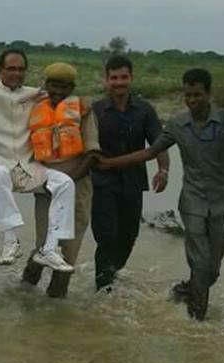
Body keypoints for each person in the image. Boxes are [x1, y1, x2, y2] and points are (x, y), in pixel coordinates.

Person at [97, 68, 224, 320]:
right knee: (200, 259)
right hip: (193, 199)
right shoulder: (177, 124)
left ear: (208, 93)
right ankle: (197, 322)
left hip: (222, 197)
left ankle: (186, 289)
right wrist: (111, 163)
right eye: (188, 95)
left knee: (212, 269)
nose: (192, 100)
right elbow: (150, 152)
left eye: (197, 95)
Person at [0, 49, 75, 272]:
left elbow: (64, 95)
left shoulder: (36, 94)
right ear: (0, 70)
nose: (16, 73)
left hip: (29, 166)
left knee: (65, 183)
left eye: (20, 69)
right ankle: (11, 240)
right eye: (11, 68)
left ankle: (49, 248)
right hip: (0, 162)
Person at [20, 63, 101, 297]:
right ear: (46, 85)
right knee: (43, 245)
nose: (57, 91)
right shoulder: (34, 107)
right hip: (45, 190)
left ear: (72, 88)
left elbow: (93, 154)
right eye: (53, 85)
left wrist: (66, 182)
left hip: (77, 189)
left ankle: (56, 305)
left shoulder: (84, 111)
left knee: (68, 254)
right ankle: (24, 293)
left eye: (64, 87)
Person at [90, 55, 170, 293]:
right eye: (114, 78)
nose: (119, 83)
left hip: (134, 183)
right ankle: (102, 288)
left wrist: (163, 169)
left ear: (131, 78)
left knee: (129, 236)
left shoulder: (145, 110)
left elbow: (159, 143)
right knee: (106, 236)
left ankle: (111, 274)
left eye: (123, 77)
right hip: (101, 183)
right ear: (106, 81)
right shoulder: (96, 111)